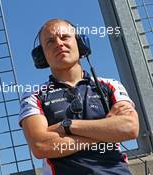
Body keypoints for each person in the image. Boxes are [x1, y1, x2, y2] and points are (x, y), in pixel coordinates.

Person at [19, 19, 139, 175]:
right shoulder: (33, 95)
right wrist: (106, 133)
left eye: (64, 37)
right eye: (50, 41)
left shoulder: (110, 85)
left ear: (80, 43)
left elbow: (129, 127)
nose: (59, 43)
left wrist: (67, 126)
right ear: (42, 55)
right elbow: (41, 145)